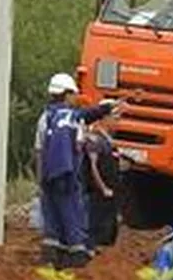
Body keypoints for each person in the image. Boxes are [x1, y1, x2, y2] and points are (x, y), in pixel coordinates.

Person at [34, 73, 121, 267]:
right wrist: (107, 107)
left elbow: (39, 150)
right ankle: (76, 256)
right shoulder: (73, 117)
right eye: (73, 94)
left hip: (49, 174)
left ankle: (52, 254)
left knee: (51, 215)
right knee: (72, 213)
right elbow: (86, 122)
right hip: (68, 173)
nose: (75, 97)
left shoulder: (45, 117)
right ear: (66, 94)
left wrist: (40, 179)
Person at [82, 115, 122, 248]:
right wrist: (103, 187)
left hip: (111, 189)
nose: (117, 122)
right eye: (114, 118)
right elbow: (93, 166)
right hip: (100, 192)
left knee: (109, 223)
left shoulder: (108, 140)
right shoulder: (95, 140)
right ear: (105, 119)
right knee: (97, 223)